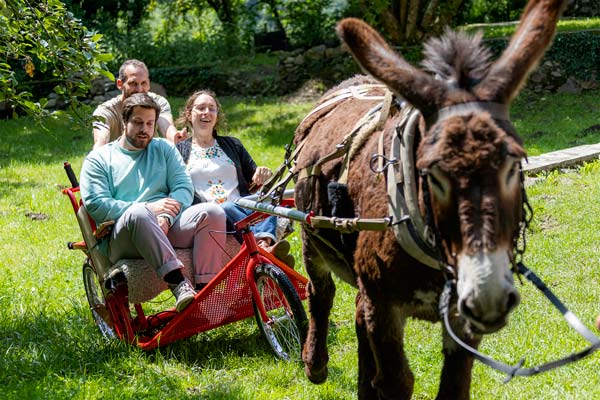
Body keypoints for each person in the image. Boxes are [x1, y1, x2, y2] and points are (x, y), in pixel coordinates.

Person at [80, 93, 226, 312]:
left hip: (167, 223)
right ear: (124, 121)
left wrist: (166, 217)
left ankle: (207, 293)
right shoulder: (100, 159)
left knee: (212, 212)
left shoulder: (163, 149)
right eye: (138, 122)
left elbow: (183, 187)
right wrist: (150, 209)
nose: (145, 129)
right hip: (124, 236)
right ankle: (178, 283)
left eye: (150, 123)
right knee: (139, 213)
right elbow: (96, 204)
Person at [175, 90, 295, 267]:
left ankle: (264, 246)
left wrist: (261, 173)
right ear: (188, 114)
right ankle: (263, 244)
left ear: (217, 115)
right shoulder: (178, 152)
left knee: (269, 197)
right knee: (225, 207)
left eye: (211, 108)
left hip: (241, 207)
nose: (206, 112)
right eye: (200, 108)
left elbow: (254, 178)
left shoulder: (232, 144)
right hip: (210, 216)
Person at [91, 59, 187, 149]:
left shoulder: (158, 102)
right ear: (120, 84)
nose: (139, 90)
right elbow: (101, 141)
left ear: (149, 84)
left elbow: (166, 127)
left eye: (143, 83)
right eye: (133, 83)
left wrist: (175, 137)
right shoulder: (105, 112)